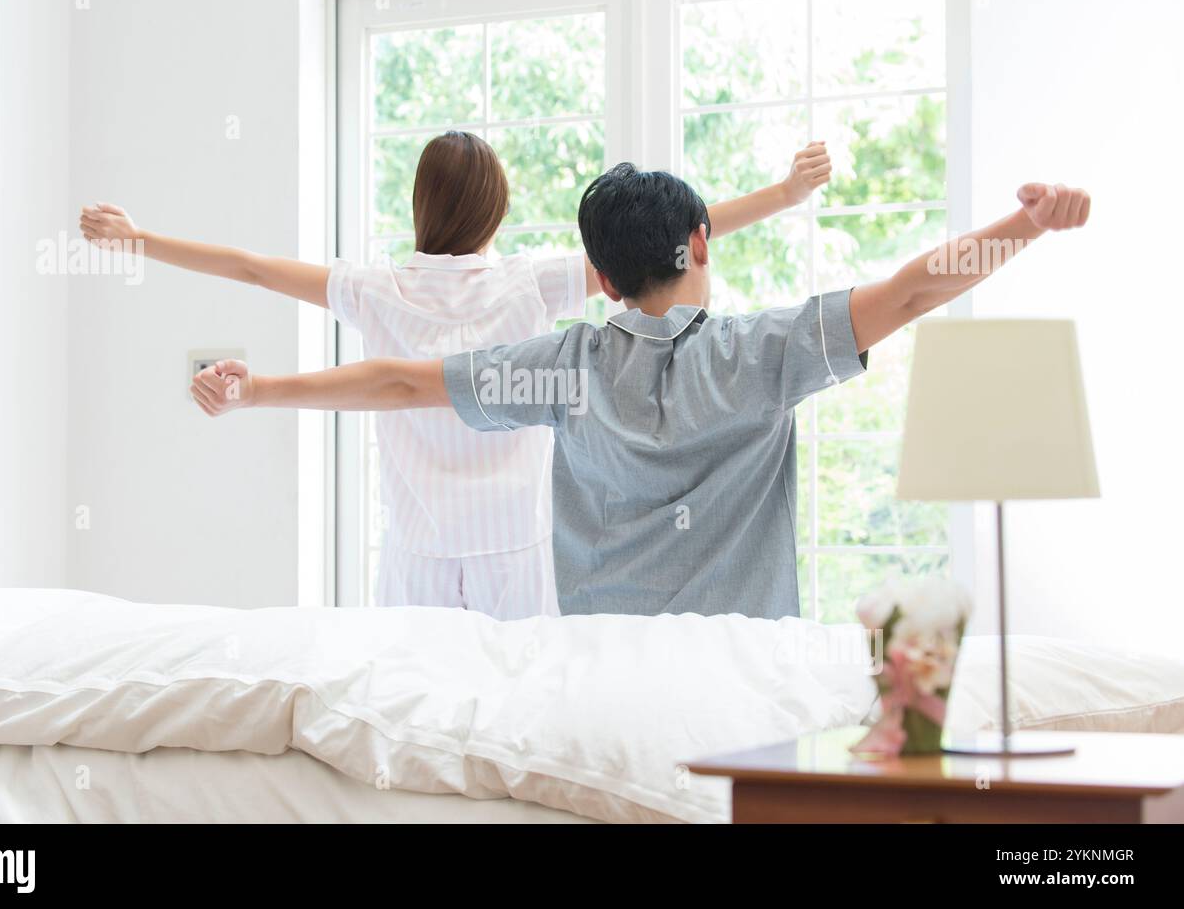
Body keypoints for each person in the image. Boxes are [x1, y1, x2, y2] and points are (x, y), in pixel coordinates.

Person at [190, 168, 1090, 618]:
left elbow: (396, 380)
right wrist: (1028, 224)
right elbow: (910, 291)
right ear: (701, 242)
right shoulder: (765, 352)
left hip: (598, 672)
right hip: (744, 673)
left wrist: (258, 388)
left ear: (602, 277)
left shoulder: (560, 367)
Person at [82, 133, 833, 618]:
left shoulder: (375, 289)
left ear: (421, 205)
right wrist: (785, 196)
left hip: (419, 547)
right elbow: (661, 243)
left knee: (413, 716)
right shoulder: (527, 286)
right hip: (517, 545)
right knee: (518, 714)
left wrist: (140, 240)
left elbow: (249, 268)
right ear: (496, 207)